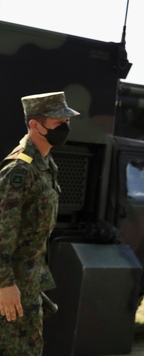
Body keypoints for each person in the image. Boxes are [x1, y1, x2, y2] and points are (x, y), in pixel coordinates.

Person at [0, 92, 79, 355]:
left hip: (30, 281)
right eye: (59, 124)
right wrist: (5, 284)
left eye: (67, 122)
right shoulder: (19, 170)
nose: (65, 128)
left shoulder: (45, 163)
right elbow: (2, 232)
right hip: (11, 286)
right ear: (35, 125)